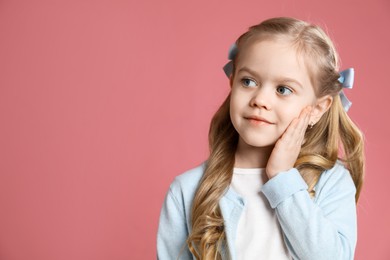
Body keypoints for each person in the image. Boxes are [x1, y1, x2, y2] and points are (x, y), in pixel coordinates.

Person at [157, 17, 364, 260]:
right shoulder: (187, 190)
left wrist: (283, 179)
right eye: (248, 81)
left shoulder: (332, 182)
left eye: (283, 89)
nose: (260, 100)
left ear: (318, 109)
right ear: (232, 83)